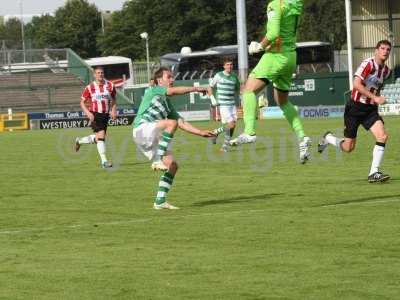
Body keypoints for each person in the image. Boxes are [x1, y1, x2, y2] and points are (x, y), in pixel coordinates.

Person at [230, 0, 311, 164]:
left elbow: (273, 33)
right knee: (282, 101)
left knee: (248, 90)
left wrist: (260, 46)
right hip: (291, 57)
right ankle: (302, 137)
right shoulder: (294, 4)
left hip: (276, 56)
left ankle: (249, 131)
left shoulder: (275, 4)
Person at [133, 67, 215, 209]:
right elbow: (172, 92)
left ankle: (160, 201)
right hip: (142, 129)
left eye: (172, 77)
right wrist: (196, 89)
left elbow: (181, 123)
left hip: (154, 134)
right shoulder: (154, 90)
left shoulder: (167, 103)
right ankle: (158, 160)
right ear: (159, 81)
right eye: (169, 77)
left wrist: (201, 132)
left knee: (172, 166)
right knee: (171, 123)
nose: (172, 79)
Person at [318, 40, 392, 183]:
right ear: (376, 50)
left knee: (382, 136)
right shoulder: (368, 64)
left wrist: (375, 99)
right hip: (355, 108)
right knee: (348, 147)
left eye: (388, 49)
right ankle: (328, 138)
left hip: (370, 110)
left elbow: (377, 86)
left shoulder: (387, 71)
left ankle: (374, 173)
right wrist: (375, 97)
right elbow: (356, 84)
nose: (385, 51)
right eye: (382, 48)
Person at [75, 66, 117, 168]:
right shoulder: (89, 87)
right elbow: (82, 102)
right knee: (101, 137)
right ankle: (104, 162)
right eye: (98, 73)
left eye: (102, 73)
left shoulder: (110, 85)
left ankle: (79, 141)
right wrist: (88, 113)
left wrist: (113, 110)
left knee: (99, 138)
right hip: (94, 114)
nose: (100, 74)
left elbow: (114, 99)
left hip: (105, 114)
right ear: (94, 75)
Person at [207, 57, 241, 152]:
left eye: (231, 64)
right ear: (224, 66)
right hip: (223, 105)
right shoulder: (218, 75)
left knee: (233, 127)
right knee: (231, 125)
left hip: (232, 105)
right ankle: (215, 132)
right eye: (227, 64)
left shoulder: (235, 77)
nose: (230, 66)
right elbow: (209, 88)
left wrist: (239, 102)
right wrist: (212, 99)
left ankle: (224, 147)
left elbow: (238, 90)